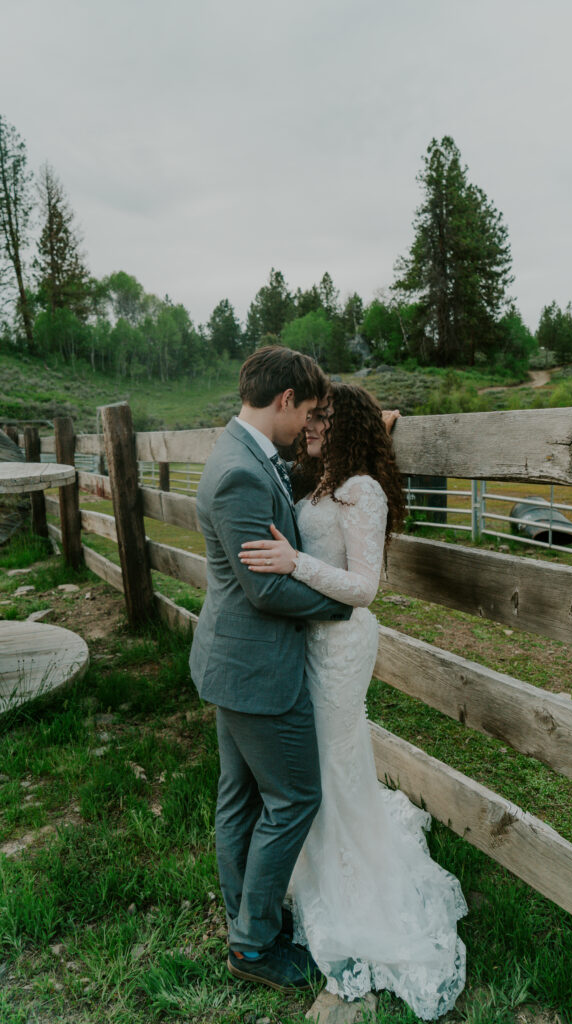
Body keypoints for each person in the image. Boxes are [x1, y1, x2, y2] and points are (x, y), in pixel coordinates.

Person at [239, 382, 467, 1020]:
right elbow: (352, 437)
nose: (311, 425)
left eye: (323, 419)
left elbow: (365, 587)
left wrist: (293, 564)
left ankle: (356, 887)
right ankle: (318, 865)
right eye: (311, 416)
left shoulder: (361, 489)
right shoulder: (324, 479)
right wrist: (376, 420)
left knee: (334, 765)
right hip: (311, 642)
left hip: (341, 644)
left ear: (346, 429)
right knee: (321, 764)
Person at [189, 346, 353, 994]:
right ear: (284, 399)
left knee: (240, 801)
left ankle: (245, 922)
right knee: (294, 799)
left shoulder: (245, 455)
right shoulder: (241, 474)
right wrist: (340, 602)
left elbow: (295, 468)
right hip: (258, 669)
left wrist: (371, 430)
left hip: (233, 664)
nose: (307, 428)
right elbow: (266, 591)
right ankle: (254, 945)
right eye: (308, 412)